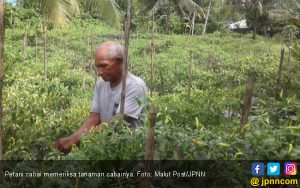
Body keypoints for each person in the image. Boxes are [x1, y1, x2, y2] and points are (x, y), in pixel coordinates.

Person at [54, 41, 147, 154]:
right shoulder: (101, 84)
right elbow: (95, 117)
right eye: (97, 67)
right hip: (107, 148)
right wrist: (74, 137)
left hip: (130, 151)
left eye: (103, 66)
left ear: (119, 61)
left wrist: (76, 139)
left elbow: (116, 122)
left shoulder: (135, 86)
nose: (99, 72)